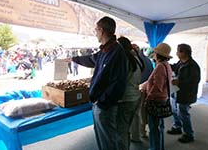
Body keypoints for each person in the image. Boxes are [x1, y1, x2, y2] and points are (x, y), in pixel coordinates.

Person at [64, 16, 128, 150]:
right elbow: (92, 59)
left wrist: (102, 102)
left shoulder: (117, 51)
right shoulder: (106, 49)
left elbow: (119, 83)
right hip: (99, 102)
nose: (95, 33)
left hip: (105, 105)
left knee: (108, 139)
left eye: (96, 30)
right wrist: (73, 59)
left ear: (102, 30)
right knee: (102, 137)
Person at [167, 43, 201, 143]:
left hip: (186, 94)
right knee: (174, 110)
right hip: (176, 91)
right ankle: (177, 127)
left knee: (183, 113)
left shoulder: (193, 66)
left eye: (178, 51)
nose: (177, 53)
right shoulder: (181, 62)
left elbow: (194, 81)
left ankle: (188, 134)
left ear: (184, 52)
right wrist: (165, 63)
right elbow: (174, 67)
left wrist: (179, 82)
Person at [116, 37, 144, 150]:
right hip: (135, 96)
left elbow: (118, 81)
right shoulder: (135, 59)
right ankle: (129, 143)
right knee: (126, 127)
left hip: (125, 99)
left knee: (121, 129)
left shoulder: (124, 60)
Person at [145, 43, 173, 150]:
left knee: (154, 127)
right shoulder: (166, 65)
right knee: (159, 126)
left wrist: (148, 98)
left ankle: (155, 147)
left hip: (156, 100)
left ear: (158, 54)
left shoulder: (160, 67)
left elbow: (157, 87)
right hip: (163, 98)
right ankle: (159, 147)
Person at [131, 46, 154, 141]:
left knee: (136, 113)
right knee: (143, 112)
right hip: (147, 89)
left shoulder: (135, 61)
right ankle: (143, 132)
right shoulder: (147, 60)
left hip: (139, 89)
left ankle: (136, 136)